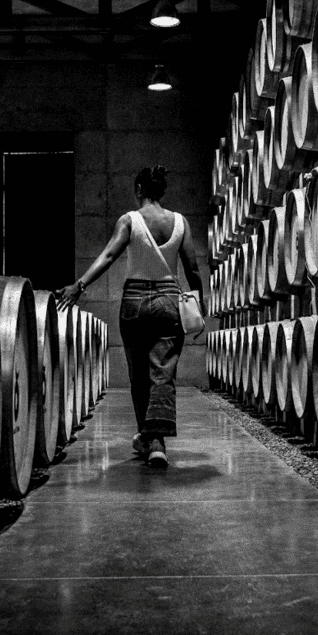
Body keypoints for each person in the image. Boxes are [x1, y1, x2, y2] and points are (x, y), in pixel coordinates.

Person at [56, 165, 205, 468]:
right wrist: (197, 305)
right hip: (168, 301)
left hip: (134, 302)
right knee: (162, 372)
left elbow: (109, 255)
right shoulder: (180, 222)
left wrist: (79, 284)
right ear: (161, 190)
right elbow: (191, 268)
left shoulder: (130, 220)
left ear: (139, 190)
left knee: (138, 375)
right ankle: (157, 440)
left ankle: (149, 439)